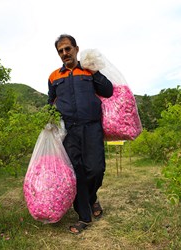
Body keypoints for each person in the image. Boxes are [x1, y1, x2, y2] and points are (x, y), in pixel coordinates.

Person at [47, 34, 113, 234]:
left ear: (76, 49)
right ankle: (84, 217)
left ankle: (92, 198)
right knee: (77, 174)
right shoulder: (53, 77)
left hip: (92, 127)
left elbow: (108, 91)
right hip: (69, 131)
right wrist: (49, 121)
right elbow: (50, 102)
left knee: (96, 169)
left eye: (67, 49)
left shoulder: (88, 69)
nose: (65, 53)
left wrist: (95, 72)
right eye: (61, 51)